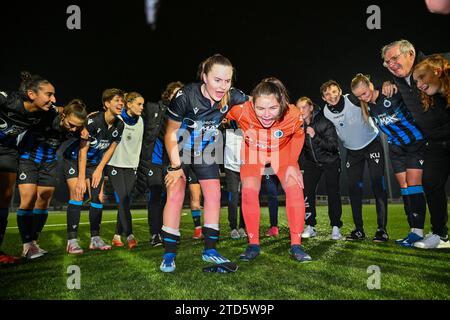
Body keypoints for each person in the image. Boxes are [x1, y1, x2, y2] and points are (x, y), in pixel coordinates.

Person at [160, 54, 249, 272]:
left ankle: (210, 250)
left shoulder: (232, 96)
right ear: (204, 77)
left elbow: (260, 104)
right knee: (176, 195)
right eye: (217, 80)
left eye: (227, 80)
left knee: (214, 195)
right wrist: (174, 167)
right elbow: (170, 133)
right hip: (178, 151)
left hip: (205, 151)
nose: (223, 86)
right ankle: (169, 254)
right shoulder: (184, 96)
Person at [228, 77, 311, 263]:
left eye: (273, 108)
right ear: (252, 103)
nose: (266, 114)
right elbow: (215, 111)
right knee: (249, 191)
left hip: (281, 152)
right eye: (260, 108)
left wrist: (291, 162)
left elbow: (298, 134)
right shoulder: (241, 110)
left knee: (295, 188)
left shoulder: (292, 113)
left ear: (281, 103)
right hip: (253, 152)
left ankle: (296, 244)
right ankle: (253, 243)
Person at [381, 40, 450, 249]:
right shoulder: (398, 80)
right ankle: (441, 235)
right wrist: (387, 83)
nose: (391, 64)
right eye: (387, 62)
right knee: (430, 183)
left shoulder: (433, 66)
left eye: (394, 58)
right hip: (435, 142)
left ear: (410, 53)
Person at [351, 74, 426, 246]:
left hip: (414, 142)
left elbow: (409, 88)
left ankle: (419, 231)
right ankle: (413, 230)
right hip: (396, 148)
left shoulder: (390, 92)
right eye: (359, 96)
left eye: (364, 92)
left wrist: (389, 83)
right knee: (405, 188)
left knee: (414, 185)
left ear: (371, 84)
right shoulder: (368, 107)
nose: (364, 97)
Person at [16, 99, 87, 259]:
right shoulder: (49, 114)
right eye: (71, 124)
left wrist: (85, 127)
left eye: (77, 126)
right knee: (28, 198)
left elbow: (85, 122)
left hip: (49, 162)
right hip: (29, 158)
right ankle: (27, 245)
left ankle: (34, 243)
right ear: (63, 115)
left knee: (44, 200)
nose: (73, 129)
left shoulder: (77, 125)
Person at [321, 80, 388, 242]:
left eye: (334, 92)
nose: (332, 96)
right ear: (323, 98)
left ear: (340, 91)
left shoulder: (352, 99)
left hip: (372, 144)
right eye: (327, 94)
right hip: (352, 152)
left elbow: (371, 95)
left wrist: (385, 85)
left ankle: (382, 230)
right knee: (354, 189)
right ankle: (359, 230)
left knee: (377, 184)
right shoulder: (325, 112)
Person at [0, 71, 56, 264]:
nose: (53, 99)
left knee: (6, 198)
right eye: (49, 94)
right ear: (32, 94)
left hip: (8, 151)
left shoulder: (47, 113)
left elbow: (67, 113)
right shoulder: (7, 100)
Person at [63, 88, 125, 254]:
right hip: (75, 160)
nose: (121, 103)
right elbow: (83, 150)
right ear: (106, 104)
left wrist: (99, 169)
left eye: (122, 101)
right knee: (77, 194)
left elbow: (111, 149)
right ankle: (72, 241)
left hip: (95, 164)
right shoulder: (93, 121)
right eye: (117, 100)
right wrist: (82, 178)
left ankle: (95, 239)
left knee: (98, 198)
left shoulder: (120, 124)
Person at [412, 54, 450, 249]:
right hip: (438, 145)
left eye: (421, 77)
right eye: (416, 81)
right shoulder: (430, 98)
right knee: (430, 181)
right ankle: (440, 234)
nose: (419, 84)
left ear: (437, 71)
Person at [296, 97, 343, 240]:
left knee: (332, 192)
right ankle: (310, 226)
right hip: (312, 163)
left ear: (311, 108)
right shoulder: (298, 126)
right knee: (307, 191)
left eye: (304, 107)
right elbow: (300, 149)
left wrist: (315, 136)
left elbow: (333, 146)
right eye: (299, 108)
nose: (301, 110)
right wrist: (300, 165)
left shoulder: (324, 122)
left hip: (330, 161)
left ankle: (335, 227)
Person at [109, 92, 144, 249]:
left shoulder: (141, 121)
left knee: (125, 201)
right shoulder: (118, 119)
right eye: (139, 104)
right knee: (123, 199)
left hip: (132, 166)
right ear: (129, 104)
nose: (142, 107)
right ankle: (129, 235)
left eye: (143, 104)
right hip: (115, 164)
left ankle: (117, 235)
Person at [222, 119, 247, 239]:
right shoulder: (225, 130)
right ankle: (233, 227)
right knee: (233, 197)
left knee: (245, 198)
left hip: (246, 167)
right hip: (231, 167)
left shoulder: (248, 128)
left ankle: (243, 226)